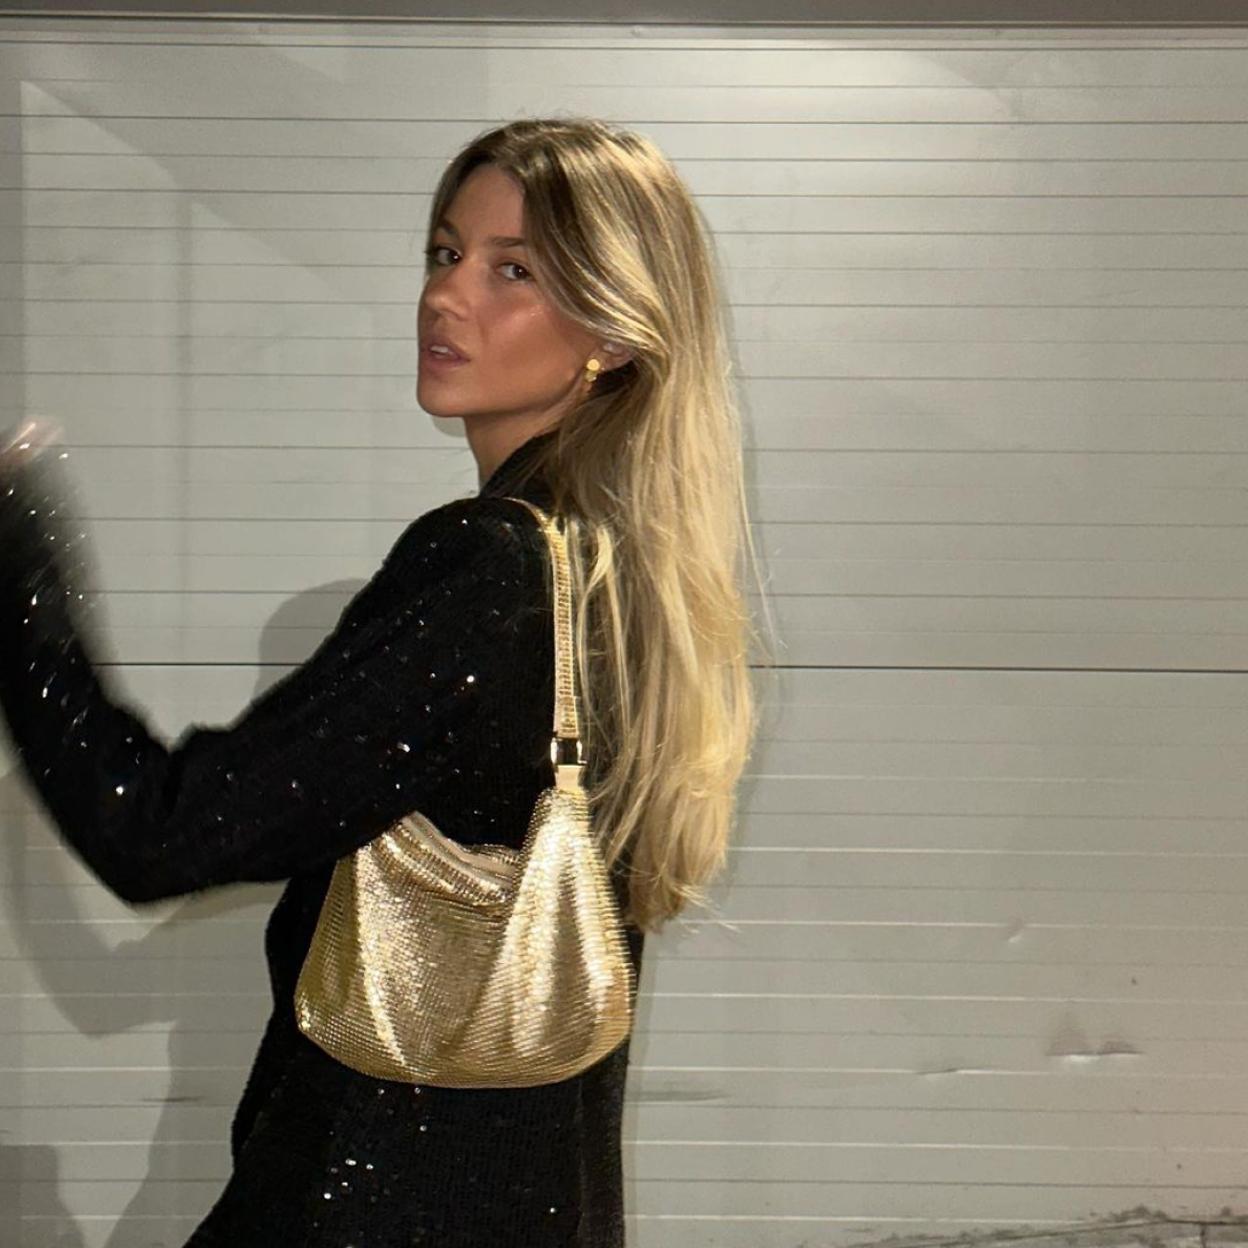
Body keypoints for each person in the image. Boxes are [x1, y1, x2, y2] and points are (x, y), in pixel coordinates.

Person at [0, 116, 768, 1247]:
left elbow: (156, 834)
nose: (447, 294)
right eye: (444, 252)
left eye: (513, 270)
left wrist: (20, 571)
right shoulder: (628, 576)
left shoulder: (489, 569)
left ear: (612, 330)